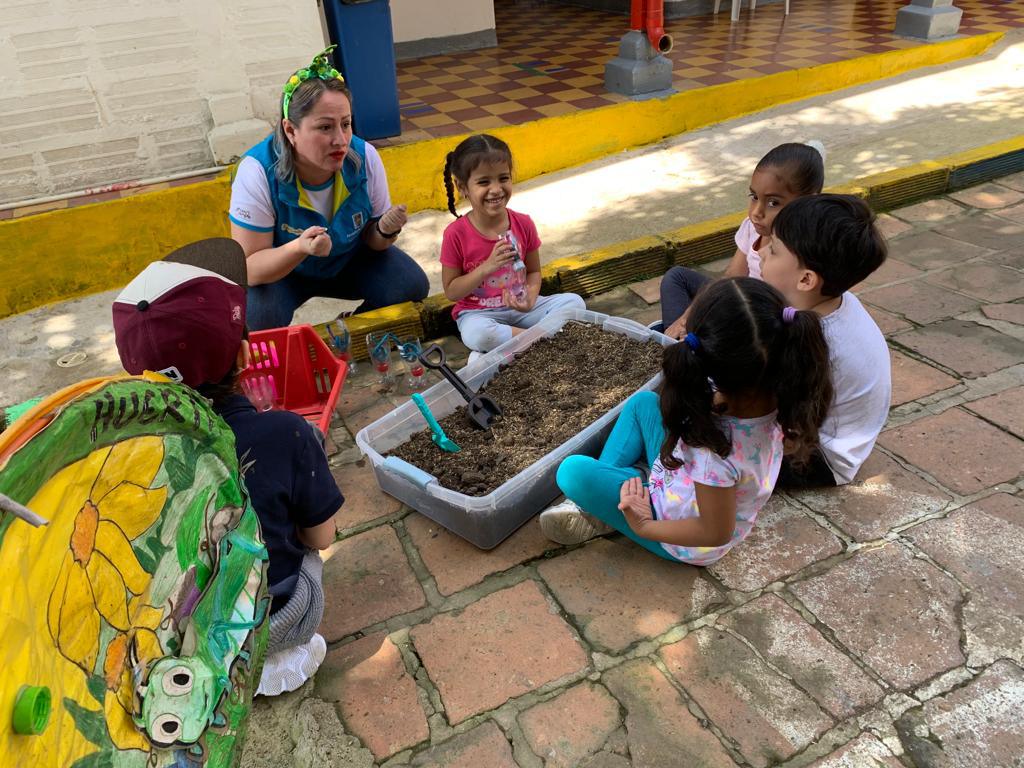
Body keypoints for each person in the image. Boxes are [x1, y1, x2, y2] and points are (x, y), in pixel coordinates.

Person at [111, 238, 342, 696]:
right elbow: (321, 537)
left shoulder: (133, 462)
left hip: (190, 638)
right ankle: (276, 663)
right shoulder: (287, 433)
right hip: (281, 621)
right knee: (311, 548)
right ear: (244, 355)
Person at [540, 277, 833, 563]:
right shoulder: (781, 400)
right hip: (678, 482)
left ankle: (609, 507)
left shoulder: (713, 454)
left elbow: (715, 532)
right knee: (643, 403)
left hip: (679, 539)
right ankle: (613, 498)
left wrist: (644, 526)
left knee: (572, 472)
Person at [229, 46, 429, 330]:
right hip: (284, 272)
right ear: (290, 130)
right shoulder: (257, 171)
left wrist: (385, 230)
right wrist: (299, 247)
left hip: (347, 260)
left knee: (409, 286)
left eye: (346, 124)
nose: (340, 140)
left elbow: (374, 243)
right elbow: (248, 268)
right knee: (255, 320)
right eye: (325, 128)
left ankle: (349, 331)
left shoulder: (364, 158)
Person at [760, 194, 890, 487]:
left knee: (701, 437)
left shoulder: (811, 342)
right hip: (816, 437)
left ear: (806, 280)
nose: (760, 254)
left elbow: (766, 411)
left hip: (818, 459)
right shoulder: (831, 300)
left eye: (773, 250)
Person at [656, 141, 825, 339]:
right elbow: (732, 277)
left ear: (807, 202)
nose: (756, 213)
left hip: (761, 320)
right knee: (677, 277)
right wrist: (686, 317)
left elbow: (785, 311)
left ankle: (689, 348)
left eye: (773, 202)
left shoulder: (803, 247)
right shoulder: (752, 228)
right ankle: (674, 340)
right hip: (737, 299)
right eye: (754, 196)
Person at [440, 134, 585, 359]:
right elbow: (451, 291)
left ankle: (509, 349)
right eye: (484, 182)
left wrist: (529, 298)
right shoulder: (455, 234)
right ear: (462, 187)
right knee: (478, 335)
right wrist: (487, 267)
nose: (496, 189)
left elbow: (534, 271)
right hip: (480, 314)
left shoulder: (523, 223)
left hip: (522, 310)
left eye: (503, 178)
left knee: (574, 303)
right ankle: (541, 342)